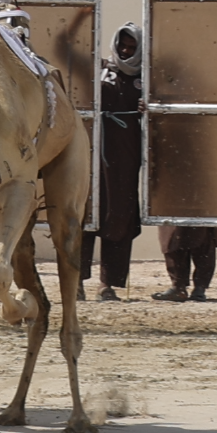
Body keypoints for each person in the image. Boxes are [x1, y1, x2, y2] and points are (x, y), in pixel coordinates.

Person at [93, 25, 147, 299]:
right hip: (93, 156)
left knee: (120, 216)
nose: (126, 51)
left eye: (132, 47)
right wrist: (81, 18)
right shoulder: (100, 70)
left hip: (125, 158)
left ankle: (108, 283)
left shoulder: (147, 78)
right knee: (86, 214)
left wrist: (148, 107)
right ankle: (75, 280)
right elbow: (66, 53)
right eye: (123, 46)